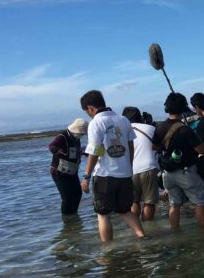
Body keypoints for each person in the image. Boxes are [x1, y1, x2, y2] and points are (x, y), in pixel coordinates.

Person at [79, 90, 145, 242]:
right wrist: (128, 167)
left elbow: (94, 151)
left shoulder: (96, 122)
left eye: (86, 111)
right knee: (125, 211)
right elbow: (130, 146)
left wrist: (86, 176)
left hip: (105, 175)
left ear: (90, 108)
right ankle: (142, 236)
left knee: (102, 215)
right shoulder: (123, 120)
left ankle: (108, 248)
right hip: (125, 174)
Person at [153, 92, 204, 229]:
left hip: (167, 173)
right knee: (199, 202)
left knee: (174, 204)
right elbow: (201, 150)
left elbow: (154, 146)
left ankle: (175, 232)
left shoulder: (159, 127)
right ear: (183, 108)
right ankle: (203, 233)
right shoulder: (185, 130)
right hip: (186, 172)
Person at [122, 106, 160, 221]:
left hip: (129, 170)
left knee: (134, 201)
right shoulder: (151, 129)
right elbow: (159, 147)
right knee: (149, 202)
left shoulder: (121, 132)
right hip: (149, 167)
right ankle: (148, 227)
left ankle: (136, 227)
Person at [48, 118, 87, 216]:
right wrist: (55, 150)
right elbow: (52, 146)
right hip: (59, 172)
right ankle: (66, 218)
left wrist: (85, 152)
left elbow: (76, 150)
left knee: (78, 194)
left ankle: (74, 214)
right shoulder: (62, 136)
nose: (82, 135)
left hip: (72, 172)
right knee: (67, 197)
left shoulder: (76, 139)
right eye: (81, 133)